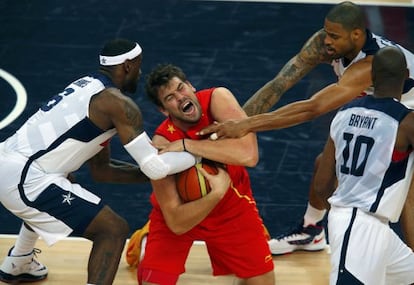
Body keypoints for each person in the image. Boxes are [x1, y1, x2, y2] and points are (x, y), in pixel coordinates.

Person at [199, 1, 414, 254]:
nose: (327, 41)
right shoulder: (324, 44)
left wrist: (246, 125)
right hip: (381, 107)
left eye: (334, 36)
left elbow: (313, 108)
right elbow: (280, 83)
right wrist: (235, 125)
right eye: (326, 33)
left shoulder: (368, 64)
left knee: (408, 196)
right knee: (323, 171)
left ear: (356, 35)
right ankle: (311, 230)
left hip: (407, 115)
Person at [0, 39, 200, 285]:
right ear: (127, 65)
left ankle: (19, 260)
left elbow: (102, 171)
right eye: (138, 65)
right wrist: (199, 153)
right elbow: (154, 167)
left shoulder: (86, 86)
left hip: (12, 165)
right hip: (23, 179)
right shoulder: (119, 104)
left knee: (59, 182)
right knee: (112, 230)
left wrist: (152, 173)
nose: (140, 71)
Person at [137, 64, 274, 285]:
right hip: (184, 212)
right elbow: (176, 223)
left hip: (233, 206)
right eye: (170, 97)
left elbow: (249, 155)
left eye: (181, 88)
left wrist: (187, 145)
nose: (181, 97)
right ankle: (145, 239)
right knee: (152, 282)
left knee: (261, 282)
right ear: (164, 110)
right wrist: (215, 193)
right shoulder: (162, 143)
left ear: (191, 85)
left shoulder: (218, 99)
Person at [314, 46, 414, 285]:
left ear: (371, 77)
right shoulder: (406, 122)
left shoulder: (344, 113)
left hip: (371, 226)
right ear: (407, 76)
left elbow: (321, 186)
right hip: (358, 228)